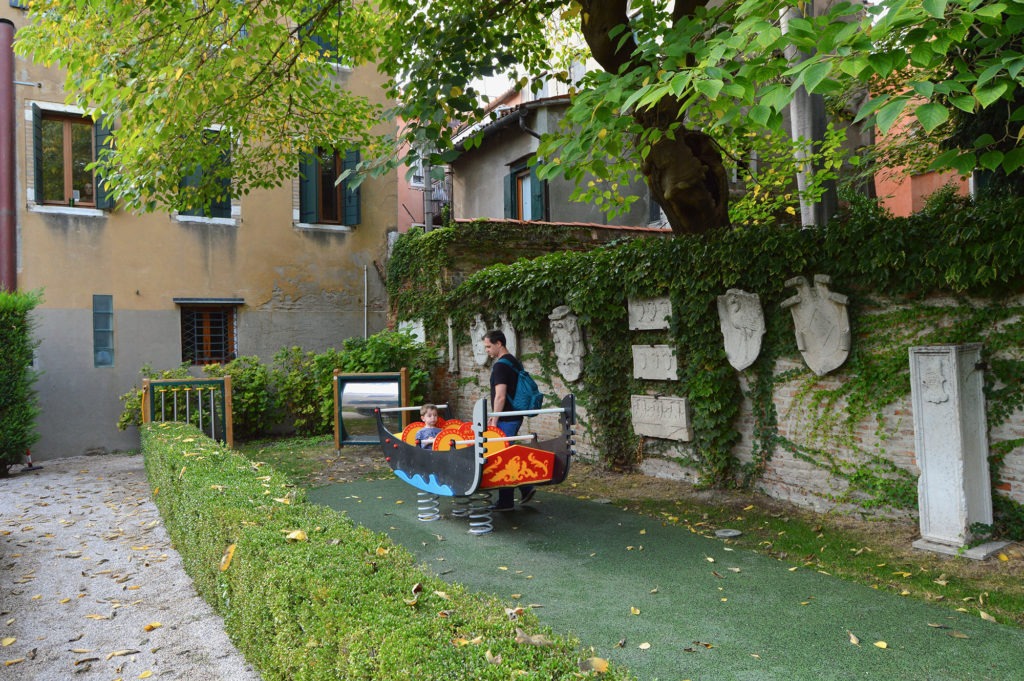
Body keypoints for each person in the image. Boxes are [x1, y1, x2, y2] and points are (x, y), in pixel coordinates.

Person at [483, 329, 536, 510]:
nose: (487, 350)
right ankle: (524, 488)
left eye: (489, 346)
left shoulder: (500, 366)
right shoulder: (514, 361)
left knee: (502, 457)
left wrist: (494, 420)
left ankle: (508, 500)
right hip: (515, 415)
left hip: (506, 417)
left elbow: (500, 396)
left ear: (499, 344)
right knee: (506, 454)